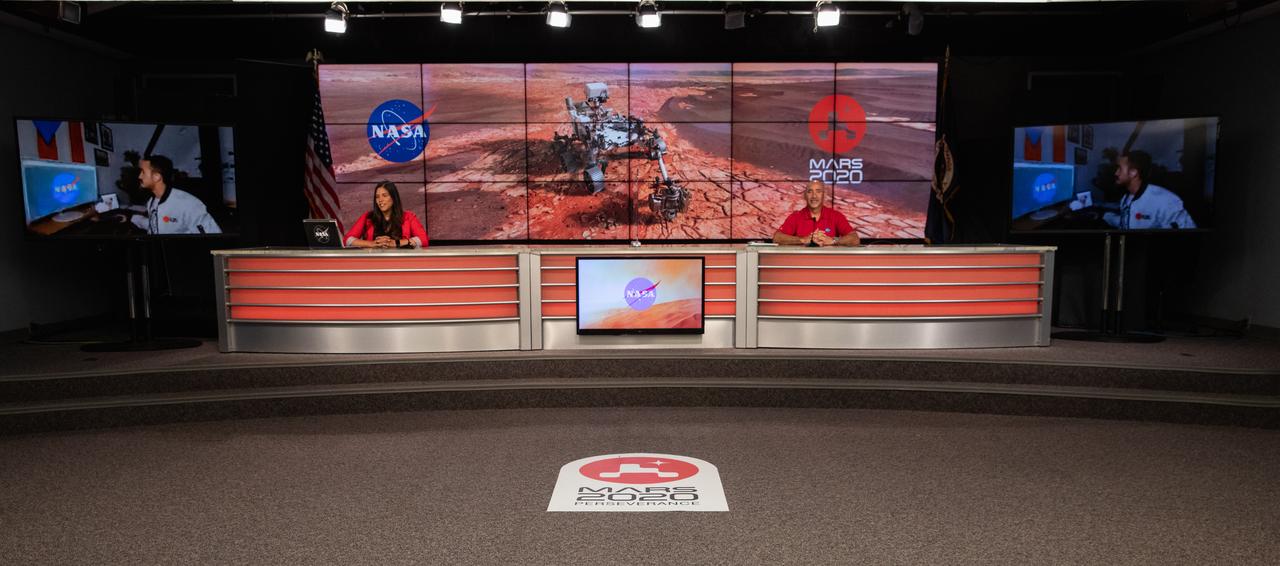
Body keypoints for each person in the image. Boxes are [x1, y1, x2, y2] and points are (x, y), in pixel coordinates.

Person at [1103, 150, 1196, 230]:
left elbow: (1189, 234)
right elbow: (1128, 223)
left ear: (1133, 172)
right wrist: (1104, 216)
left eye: (1119, 168)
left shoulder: (1166, 201)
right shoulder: (1126, 198)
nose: (1116, 173)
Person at [130, 154, 222, 234]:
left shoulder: (187, 204)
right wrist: (132, 218)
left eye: (143, 172)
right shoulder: (152, 201)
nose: (139, 176)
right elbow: (157, 226)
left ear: (157, 177)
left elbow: (213, 235)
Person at [772, 180, 861, 246]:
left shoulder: (836, 216)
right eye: (810, 192)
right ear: (805, 196)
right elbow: (777, 238)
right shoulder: (796, 216)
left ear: (824, 195)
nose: (814, 196)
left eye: (818, 191)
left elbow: (855, 239)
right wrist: (803, 240)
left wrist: (833, 241)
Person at [343, 181, 428, 248]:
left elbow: (424, 240)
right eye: (377, 197)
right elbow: (347, 240)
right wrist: (372, 244)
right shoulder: (367, 217)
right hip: (374, 262)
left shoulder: (408, 217)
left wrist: (396, 243)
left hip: (400, 262)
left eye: (384, 195)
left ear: (393, 198)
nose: (380, 200)